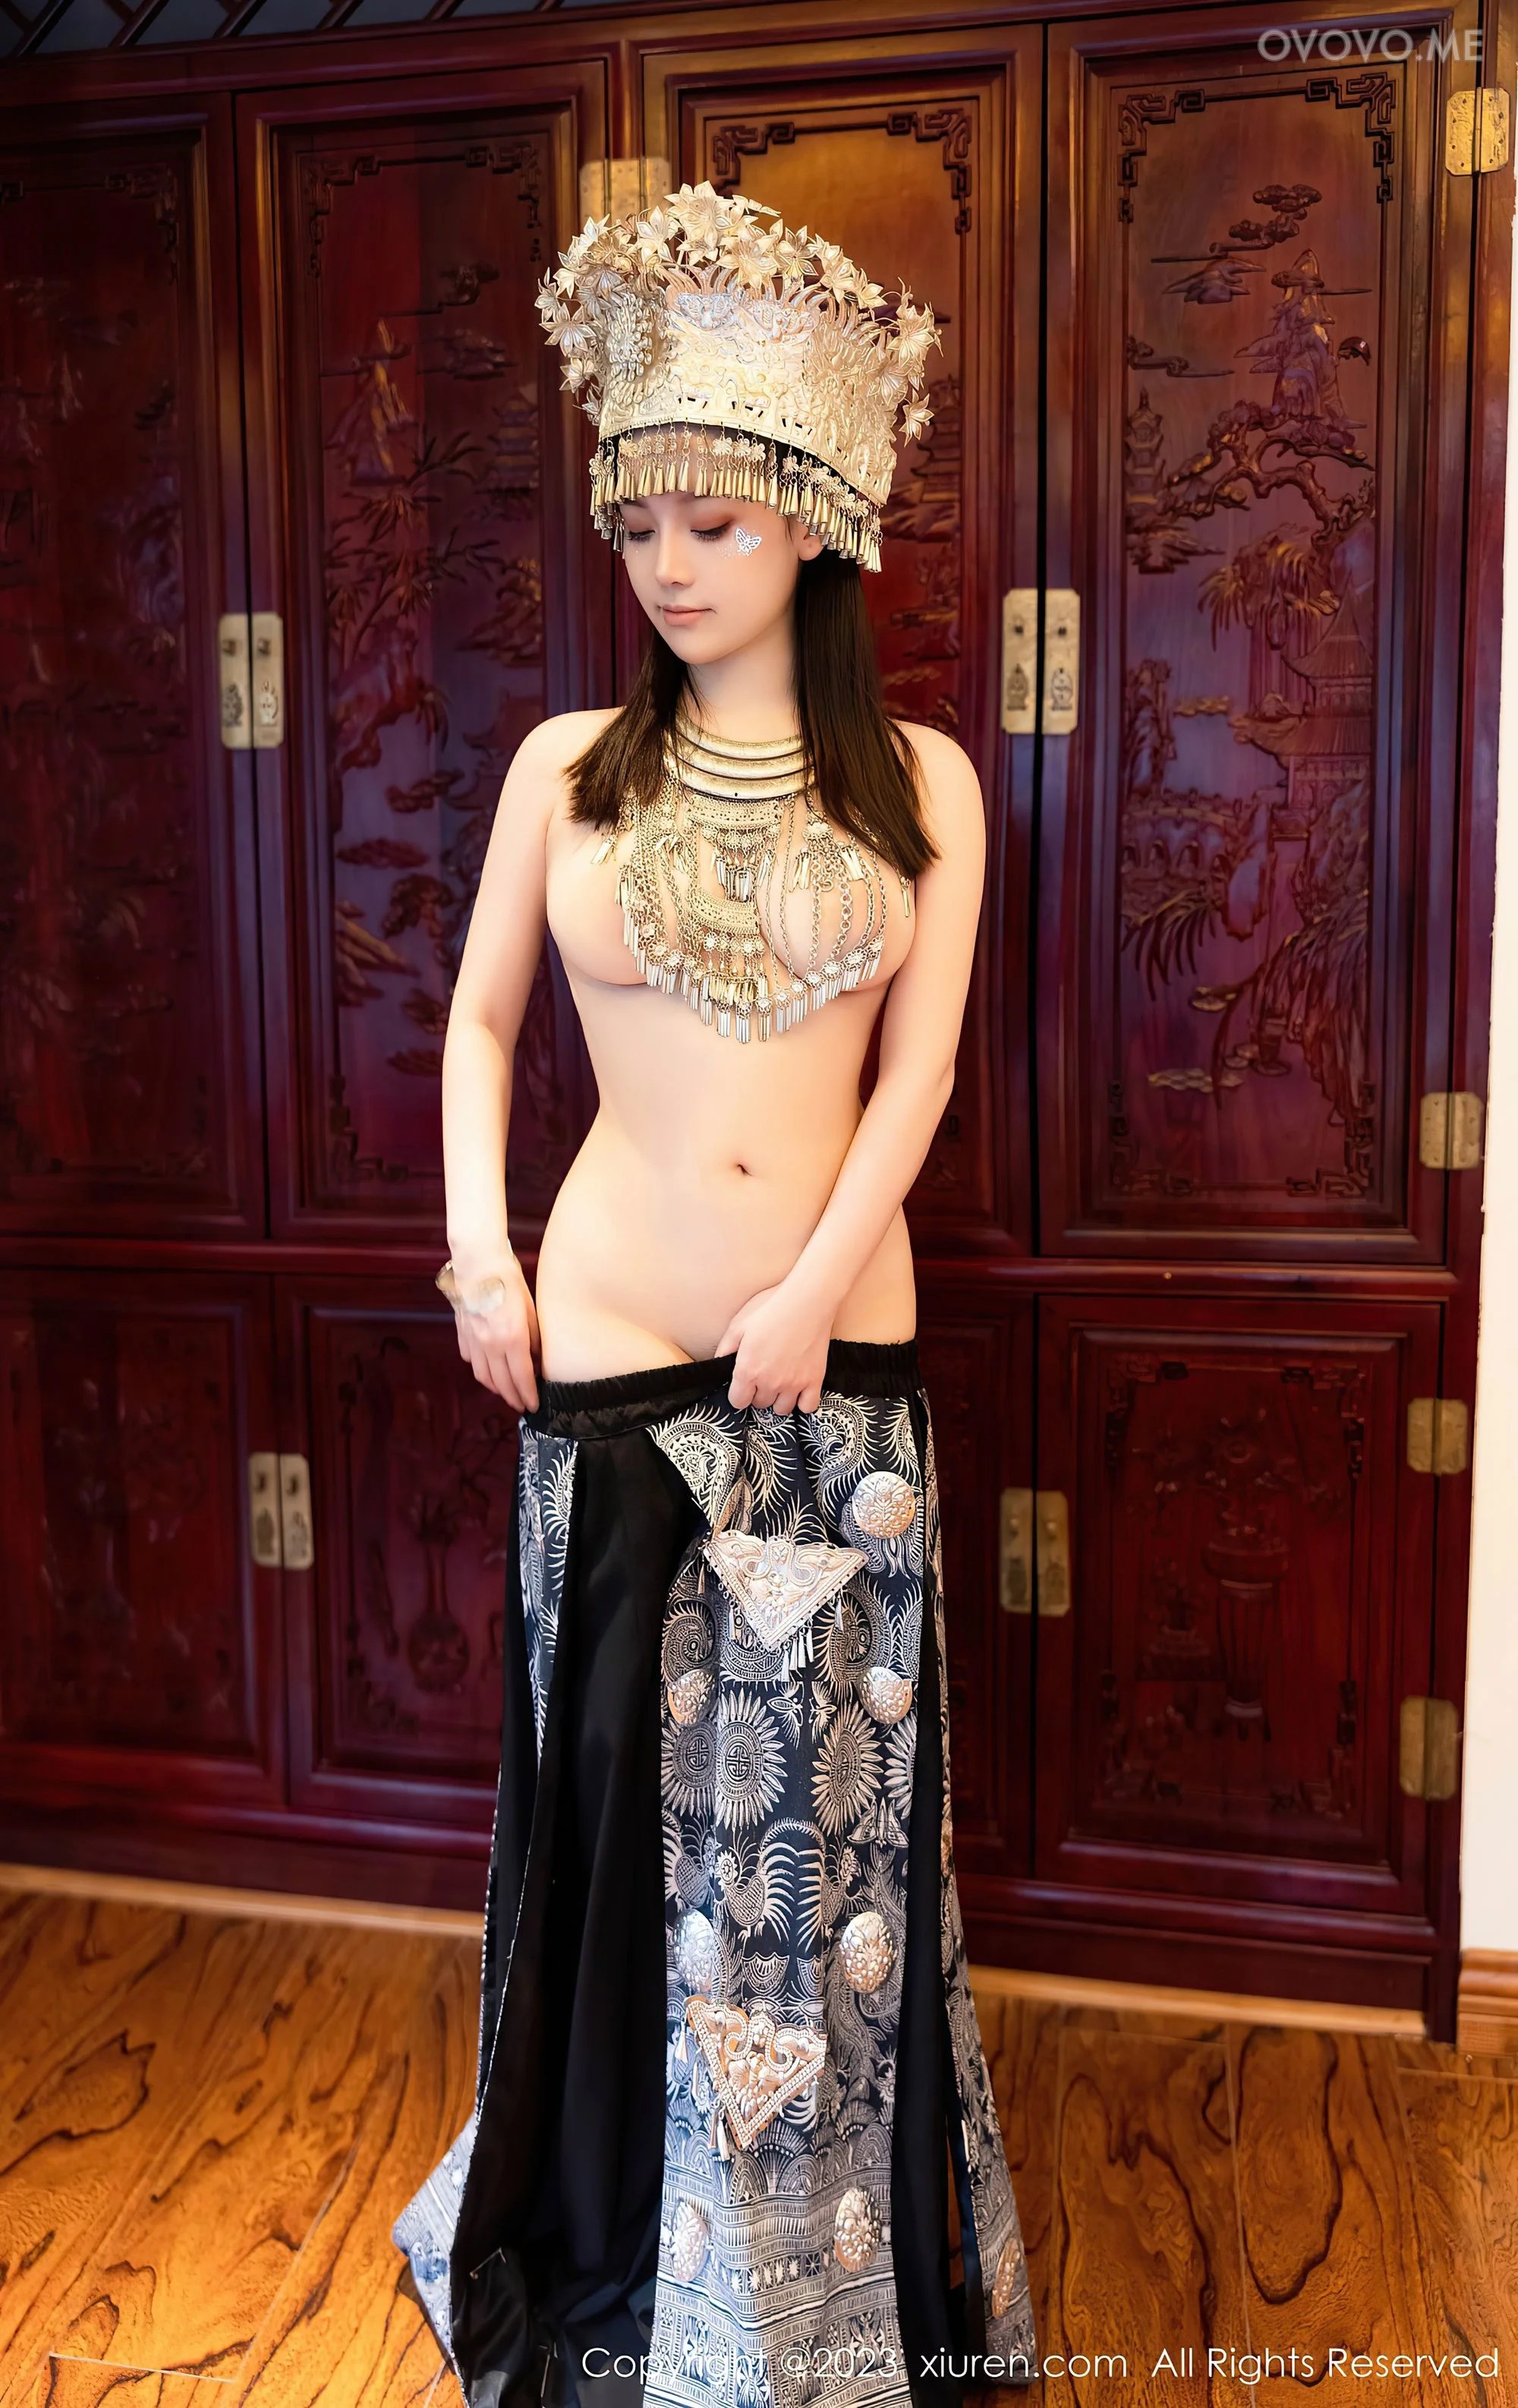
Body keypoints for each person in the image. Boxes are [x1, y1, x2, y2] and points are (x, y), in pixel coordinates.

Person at [392, 181, 1039, 2408]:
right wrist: (478, 1251)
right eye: (642, 524)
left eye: (716, 522)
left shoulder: (923, 784)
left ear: (815, 527)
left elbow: (920, 1071)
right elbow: (479, 1025)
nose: (669, 565)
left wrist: (817, 1283)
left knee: (817, 1839)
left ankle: (813, 2292)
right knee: (608, 1810)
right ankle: (602, 2256)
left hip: (828, 1353)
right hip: (599, 1330)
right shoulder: (562, 772)